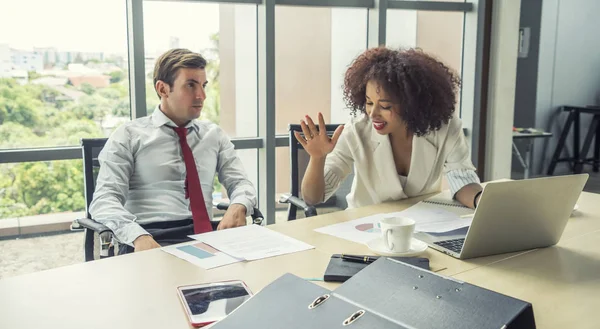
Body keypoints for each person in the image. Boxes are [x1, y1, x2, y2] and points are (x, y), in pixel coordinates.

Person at [90, 48, 257, 254]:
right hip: (151, 238)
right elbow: (104, 200)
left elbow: (240, 182)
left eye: (203, 86)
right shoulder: (128, 136)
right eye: (190, 85)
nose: (201, 96)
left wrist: (238, 205)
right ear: (162, 89)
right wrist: (138, 236)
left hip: (205, 236)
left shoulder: (214, 135)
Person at [297, 47, 483, 210]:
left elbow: (462, 179)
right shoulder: (357, 131)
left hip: (420, 227)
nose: (373, 113)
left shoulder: (445, 128)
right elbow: (313, 198)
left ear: (412, 104)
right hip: (363, 227)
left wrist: (480, 201)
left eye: (385, 106)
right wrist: (317, 158)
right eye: (369, 103)